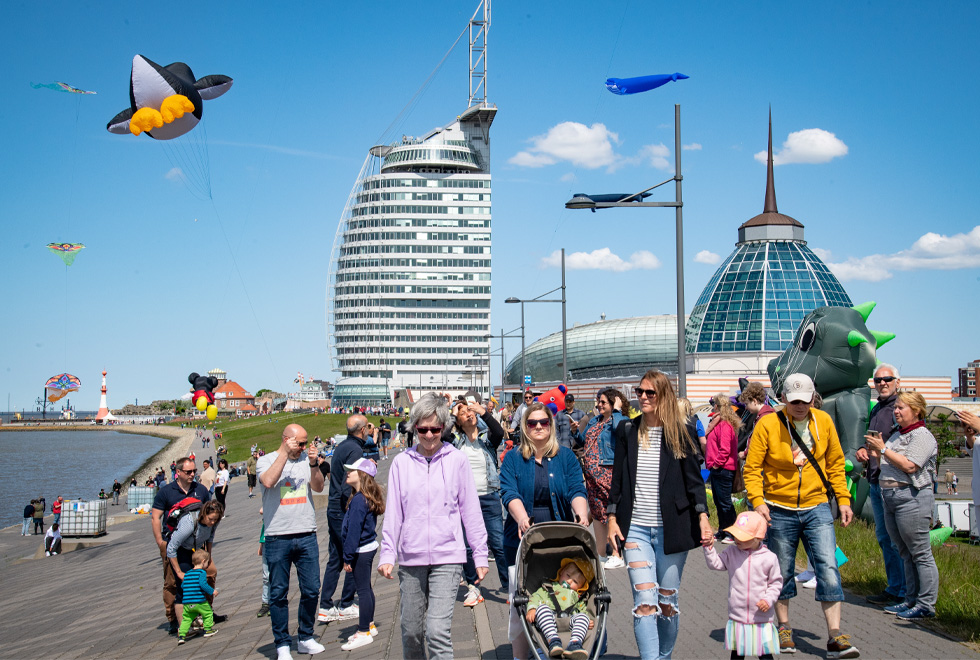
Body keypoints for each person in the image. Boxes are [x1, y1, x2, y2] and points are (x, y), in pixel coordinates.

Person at [742, 373, 859, 658]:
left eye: (805, 401)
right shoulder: (768, 423)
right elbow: (752, 467)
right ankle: (783, 628)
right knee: (781, 572)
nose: (799, 406)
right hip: (778, 509)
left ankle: (834, 635)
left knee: (828, 567)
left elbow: (834, 465)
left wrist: (843, 500)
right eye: (793, 401)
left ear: (812, 398)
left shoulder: (824, 421)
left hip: (816, 506)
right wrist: (758, 501)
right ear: (783, 399)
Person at [606, 369, 712, 660]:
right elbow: (617, 481)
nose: (642, 397)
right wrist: (612, 518)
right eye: (639, 392)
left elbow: (694, 480)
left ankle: (663, 656)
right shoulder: (627, 430)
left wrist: (702, 516)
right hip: (635, 528)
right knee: (644, 602)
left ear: (664, 395)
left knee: (667, 602)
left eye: (649, 393)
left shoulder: (682, 429)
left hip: (673, 527)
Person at [378, 392, 489, 660]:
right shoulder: (401, 463)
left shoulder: (457, 460)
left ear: (444, 428)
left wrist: (480, 552)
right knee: (411, 631)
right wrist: (387, 553)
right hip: (411, 556)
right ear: (414, 427)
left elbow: (470, 510)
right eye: (423, 429)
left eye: (435, 429)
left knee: (437, 632)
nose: (429, 435)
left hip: (448, 555)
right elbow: (394, 512)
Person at [501, 401, 589, 660]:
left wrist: (581, 513)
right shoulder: (514, 458)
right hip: (521, 538)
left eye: (543, 422)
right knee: (521, 603)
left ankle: (563, 643)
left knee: (561, 599)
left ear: (550, 425)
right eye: (532, 423)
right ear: (525, 427)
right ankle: (520, 656)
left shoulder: (566, 457)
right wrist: (521, 518)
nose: (538, 427)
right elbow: (509, 492)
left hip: (558, 538)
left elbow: (576, 489)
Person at [865, 390, 939, 621]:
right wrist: (873, 454)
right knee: (905, 552)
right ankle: (910, 598)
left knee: (920, 552)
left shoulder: (922, 435)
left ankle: (926, 604)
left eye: (901, 408)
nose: (896, 412)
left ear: (916, 411)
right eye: (895, 408)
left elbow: (909, 466)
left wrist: (884, 449)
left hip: (912, 497)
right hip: (891, 497)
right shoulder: (898, 434)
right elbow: (889, 459)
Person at [257, 423, 327, 660]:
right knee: (278, 593)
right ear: (287, 439)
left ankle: (306, 637)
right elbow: (268, 481)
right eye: (300, 443)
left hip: (306, 532)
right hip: (278, 535)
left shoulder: (305, 461)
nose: (304, 447)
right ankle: (282, 643)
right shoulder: (266, 460)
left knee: (311, 589)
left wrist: (313, 463)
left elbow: (318, 487)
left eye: (307, 442)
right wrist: (285, 455)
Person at [854, 363, 905, 607]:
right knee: (884, 538)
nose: (882, 383)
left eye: (887, 379)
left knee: (897, 540)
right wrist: (864, 450)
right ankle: (894, 587)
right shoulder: (878, 409)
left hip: (893, 483)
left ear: (897, 381)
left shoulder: (901, 408)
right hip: (875, 480)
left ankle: (905, 591)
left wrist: (881, 452)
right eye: (878, 380)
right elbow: (873, 441)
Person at [449, 396, 508, 607]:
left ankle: (508, 586)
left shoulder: (486, 439)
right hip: (463, 501)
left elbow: (499, 432)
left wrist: (483, 411)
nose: (469, 414)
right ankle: (474, 587)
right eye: (464, 413)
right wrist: (452, 412)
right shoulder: (455, 442)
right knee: (466, 547)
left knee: (498, 543)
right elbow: (444, 434)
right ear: (458, 420)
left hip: (489, 496)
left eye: (470, 411)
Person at [703, 511, 783, 660]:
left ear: (758, 538)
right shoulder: (732, 552)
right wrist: (709, 548)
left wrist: (768, 599)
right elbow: (716, 563)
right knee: (737, 654)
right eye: (735, 535)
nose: (736, 539)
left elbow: (776, 583)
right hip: (738, 616)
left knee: (765, 655)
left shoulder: (769, 558)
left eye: (742, 537)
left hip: (761, 617)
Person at [318, 414, 371, 623]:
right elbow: (348, 482)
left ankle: (325, 606)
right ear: (362, 430)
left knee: (336, 558)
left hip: (333, 509)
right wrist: (353, 506)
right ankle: (346, 603)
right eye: (367, 427)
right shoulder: (355, 450)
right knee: (352, 554)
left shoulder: (342, 445)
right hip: (342, 509)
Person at [151, 456, 212, 636]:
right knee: (173, 582)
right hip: (173, 543)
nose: (193, 474)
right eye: (188, 472)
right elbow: (156, 517)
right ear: (178, 473)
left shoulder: (200, 490)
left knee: (207, 575)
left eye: (194, 471)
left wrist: (208, 549)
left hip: (197, 544)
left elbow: (208, 515)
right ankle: (174, 620)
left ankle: (205, 613)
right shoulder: (166, 492)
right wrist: (160, 542)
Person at [571, 388, 628, 568]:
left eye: (603, 402)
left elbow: (622, 432)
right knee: (597, 513)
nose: (599, 405)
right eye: (598, 401)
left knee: (611, 512)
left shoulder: (619, 420)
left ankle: (617, 553)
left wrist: (617, 411)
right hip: (591, 475)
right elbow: (584, 442)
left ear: (613, 402)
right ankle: (601, 553)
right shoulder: (595, 420)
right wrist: (575, 433)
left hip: (607, 472)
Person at [340, 458, 385, 651]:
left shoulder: (359, 500)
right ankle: (370, 624)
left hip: (360, 550)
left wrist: (347, 557)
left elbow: (354, 532)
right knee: (365, 587)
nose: (347, 473)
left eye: (351, 470)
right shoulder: (361, 496)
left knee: (363, 590)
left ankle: (364, 630)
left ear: (362, 475)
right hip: (366, 547)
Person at [167, 499, 225, 635]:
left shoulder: (214, 522)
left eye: (216, 520)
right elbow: (171, 548)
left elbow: (210, 538)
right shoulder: (189, 523)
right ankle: (183, 628)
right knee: (185, 588)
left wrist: (208, 556)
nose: (212, 522)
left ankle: (202, 616)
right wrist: (179, 572)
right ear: (204, 514)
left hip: (196, 550)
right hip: (180, 551)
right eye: (211, 519)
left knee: (205, 580)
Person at [525, 557, 595, 660]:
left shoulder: (577, 597)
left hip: (569, 621)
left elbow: (583, 610)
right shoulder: (548, 587)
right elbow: (536, 597)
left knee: (583, 616)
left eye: (575, 581)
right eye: (568, 575)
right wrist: (532, 608)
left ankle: (575, 643)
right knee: (542, 608)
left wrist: (586, 620)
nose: (569, 581)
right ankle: (553, 640)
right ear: (561, 572)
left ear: (581, 587)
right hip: (548, 621)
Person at [706, 393, 741, 543]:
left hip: (723, 468)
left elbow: (725, 449)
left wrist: (716, 463)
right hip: (718, 468)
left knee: (725, 502)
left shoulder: (725, 424)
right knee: (718, 501)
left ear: (718, 406)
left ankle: (732, 532)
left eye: (714, 404)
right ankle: (723, 530)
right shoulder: (718, 423)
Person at [176, 550, 219, 645]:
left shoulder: (187, 573)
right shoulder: (201, 573)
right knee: (208, 613)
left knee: (187, 618)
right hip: (199, 601)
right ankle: (207, 630)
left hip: (187, 602)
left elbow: (183, 586)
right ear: (203, 561)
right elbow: (203, 584)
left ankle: (182, 635)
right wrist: (212, 591)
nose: (207, 565)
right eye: (207, 563)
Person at [736, 382, 775, 457]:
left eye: (747, 404)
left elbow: (759, 443)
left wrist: (745, 453)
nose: (746, 408)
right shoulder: (764, 415)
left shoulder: (765, 417)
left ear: (754, 401)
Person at [257, 507, 270, 618]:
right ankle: (265, 602)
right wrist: (261, 544)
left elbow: (262, 510)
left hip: (276, 541)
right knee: (266, 576)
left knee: (275, 575)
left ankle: (274, 600)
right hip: (265, 542)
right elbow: (263, 528)